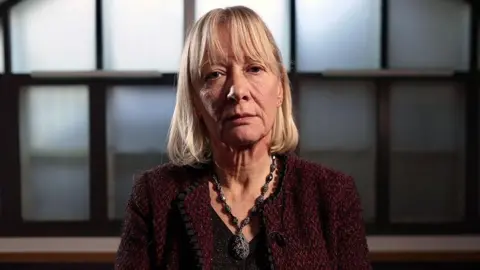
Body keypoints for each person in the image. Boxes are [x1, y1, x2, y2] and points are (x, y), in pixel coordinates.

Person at [115, 5, 371, 270]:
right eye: (215, 74)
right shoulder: (153, 195)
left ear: (280, 89)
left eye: (254, 68)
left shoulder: (332, 194)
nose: (237, 90)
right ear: (195, 101)